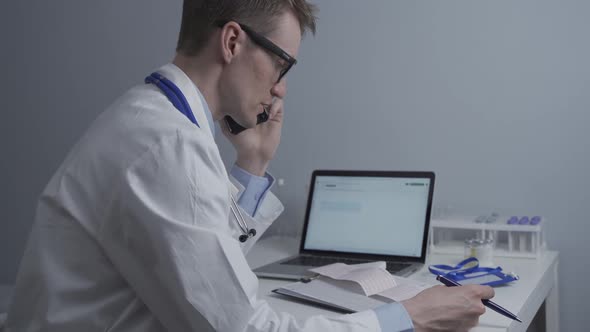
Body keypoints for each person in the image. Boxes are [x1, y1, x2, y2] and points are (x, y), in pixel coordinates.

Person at [5, 1, 494, 331]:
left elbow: (204, 255)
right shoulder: (165, 145)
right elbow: (248, 327)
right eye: (283, 64)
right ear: (233, 42)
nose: (281, 88)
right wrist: (408, 316)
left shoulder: (153, 119)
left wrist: (253, 162)